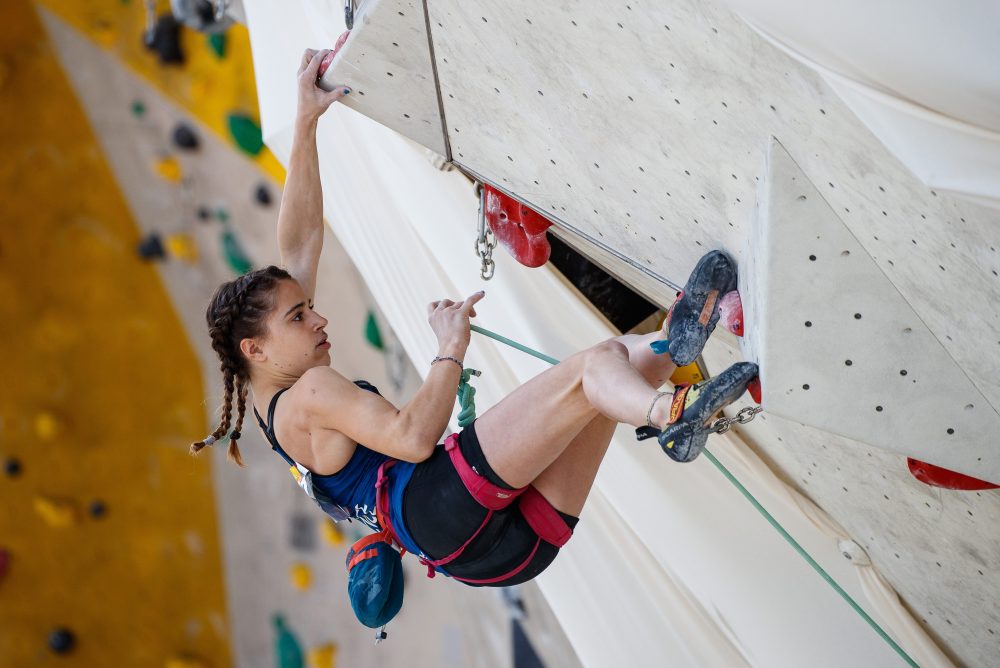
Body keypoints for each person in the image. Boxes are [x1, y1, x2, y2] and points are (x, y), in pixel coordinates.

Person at [191, 49, 758, 586]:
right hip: (444, 505)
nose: (318, 321)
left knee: (607, 385)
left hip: (499, 556)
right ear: (255, 349)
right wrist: (449, 346)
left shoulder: (273, 409)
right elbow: (412, 438)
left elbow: (301, 243)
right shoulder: (309, 389)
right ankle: (670, 412)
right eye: (299, 317)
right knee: (596, 367)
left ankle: (671, 344)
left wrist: (306, 121)